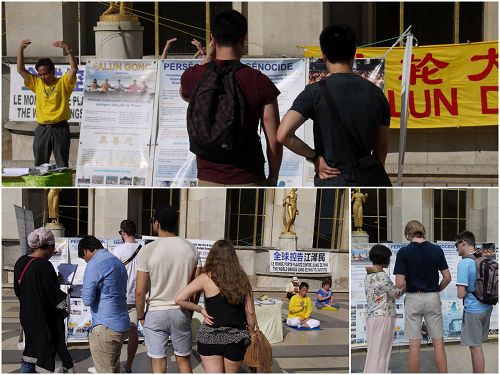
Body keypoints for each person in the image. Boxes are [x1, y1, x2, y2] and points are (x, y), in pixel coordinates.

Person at [276, 24, 390, 186]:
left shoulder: (314, 92)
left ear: (324, 56)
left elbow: (283, 134)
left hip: (331, 180)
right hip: (367, 182)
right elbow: (381, 152)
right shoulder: (377, 94)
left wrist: (315, 158)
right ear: (354, 53)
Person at [180, 10, 282, 186]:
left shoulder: (193, 76)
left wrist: (209, 56)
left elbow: (184, 94)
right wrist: (273, 176)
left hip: (207, 177)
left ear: (213, 38)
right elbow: (273, 138)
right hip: (248, 175)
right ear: (243, 39)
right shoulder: (259, 81)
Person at [135, 206, 201, 373]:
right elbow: (197, 286)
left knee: (158, 362)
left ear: (157, 223)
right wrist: (190, 309)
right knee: (184, 360)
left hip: (156, 311)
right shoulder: (191, 248)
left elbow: (140, 291)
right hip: (181, 311)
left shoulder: (148, 250)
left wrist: (140, 315)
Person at [174, 240, 256, 373]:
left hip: (210, 336)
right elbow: (250, 312)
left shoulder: (205, 278)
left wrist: (200, 309)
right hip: (235, 338)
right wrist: (251, 332)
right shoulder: (243, 280)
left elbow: (179, 299)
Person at [14, 227, 74, 373]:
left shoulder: (21, 261)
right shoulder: (44, 266)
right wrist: (65, 294)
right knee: (43, 352)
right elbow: (54, 297)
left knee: (30, 350)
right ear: (48, 247)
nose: (53, 252)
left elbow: (19, 291)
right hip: (42, 319)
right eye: (53, 248)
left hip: (27, 317)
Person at [394, 220, 451, 373]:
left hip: (413, 298)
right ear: (423, 231)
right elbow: (447, 277)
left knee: (414, 345)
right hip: (432, 297)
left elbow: (399, 283)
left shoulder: (404, 252)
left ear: (408, 234)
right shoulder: (436, 250)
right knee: (438, 342)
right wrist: (437, 289)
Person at [17, 39, 78, 168]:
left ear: (53, 72)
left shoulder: (63, 83)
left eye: (45, 74)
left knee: (62, 164)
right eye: (40, 75)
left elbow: (73, 69)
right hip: (42, 129)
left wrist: (68, 48)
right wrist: (21, 50)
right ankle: (43, 188)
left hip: (60, 128)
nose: (43, 77)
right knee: (40, 164)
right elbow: (21, 70)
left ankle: (59, 188)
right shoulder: (37, 83)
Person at [79, 236, 130, 373]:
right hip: (121, 323)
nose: (86, 260)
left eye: (84, 257)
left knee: (105, 371)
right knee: (114, 367)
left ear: (86, 250)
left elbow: (87, 299)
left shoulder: (95, 263)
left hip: (105, 326)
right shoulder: (117, 261)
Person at [455, 231, 494, 373]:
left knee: (475, 347)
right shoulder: (483, 259)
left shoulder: (465, 263)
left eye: (456, 244)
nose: (456, 248)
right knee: (478, 346)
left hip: (473, 310)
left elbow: (460, 294)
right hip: (487, 307)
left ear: (463, 243)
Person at [363, 244, 402, 373]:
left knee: (373, 351)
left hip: (372, 315)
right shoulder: (382, 276)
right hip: (383, 315)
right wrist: (405, 285)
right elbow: (396, 293)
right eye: (389, 258)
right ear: (383, 259)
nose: (390, 261)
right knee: (382, 351)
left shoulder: (368, 276)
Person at [110, 220, 141, 373]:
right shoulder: (144, 249)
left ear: (122, 232)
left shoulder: (118, 250)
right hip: (138, 297)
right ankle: (128, 365)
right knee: (133, 332)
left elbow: (113, 274)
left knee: (116, 333)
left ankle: (115, 366)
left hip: (120, 297)